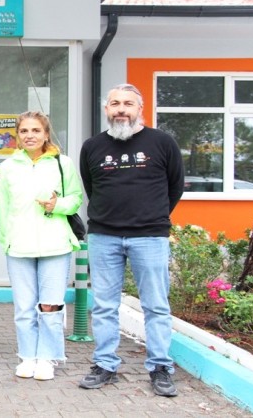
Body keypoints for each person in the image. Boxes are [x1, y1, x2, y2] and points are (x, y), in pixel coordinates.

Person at [78, 83, 184, 397]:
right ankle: (105, 365)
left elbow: (175, 187)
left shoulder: (162, 142)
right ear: (106, 109)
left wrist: (151, 216)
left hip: (149, 236)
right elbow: (92, 187)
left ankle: (160, 368)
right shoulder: (92, 146)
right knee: (104, 306)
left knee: (156, 306)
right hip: (104, 236)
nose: (121, 109)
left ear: (140, 108)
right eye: (115, 104)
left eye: (127, 103)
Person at [0, 111, 83, 381]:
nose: (30, 136)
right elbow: (3, 208)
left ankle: (47, 358)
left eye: (36, 130)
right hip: (19, 247)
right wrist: (6, 240)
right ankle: (27, 357)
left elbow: (76, 198)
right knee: (24, 308)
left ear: (46, 134)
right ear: (17, 136)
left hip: (55, 244)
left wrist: (58, 205)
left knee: (50, 306)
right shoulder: (8, 167)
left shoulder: (62, 163)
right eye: (24, 131)